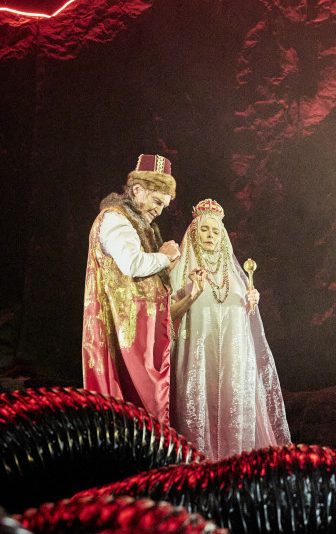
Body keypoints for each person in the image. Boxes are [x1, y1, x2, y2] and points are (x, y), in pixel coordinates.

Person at [169, 198, 291, 460]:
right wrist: (191, 294)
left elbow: (236, 316)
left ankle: (235, 465)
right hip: (198, 355)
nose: (210, 235)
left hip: (232, 358)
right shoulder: (180, 269)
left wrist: (249, 303)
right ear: (194, 232)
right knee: (199, 407)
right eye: (204, 229)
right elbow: (169, 315)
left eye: (215, 231)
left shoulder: (234, 273)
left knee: (233, 408)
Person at [82, 154, 182, 425]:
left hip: (134, 335)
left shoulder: (134, 222)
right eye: (157, 201)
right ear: (137, 189)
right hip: (123, 335)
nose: (160, 210)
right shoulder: (116, 219)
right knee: (133, 406)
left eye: (164, 205)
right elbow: (132, 264)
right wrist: (164, 257)